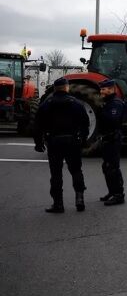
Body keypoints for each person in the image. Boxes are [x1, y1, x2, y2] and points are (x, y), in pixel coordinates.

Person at [33, 77, 90, 213]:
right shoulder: (76, 103)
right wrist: (82, 139)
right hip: (72, 141)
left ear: (54, 89)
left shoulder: (47, 103)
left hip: (54, 142)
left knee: (56, 174)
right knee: (76, 170)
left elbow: (37, 125)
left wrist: (39, 142)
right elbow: (85, 123)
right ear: (66, 87)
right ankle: (79, 199)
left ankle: (58, 204)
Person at [98, 79, 125, 205]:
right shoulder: (108, 102)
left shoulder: (115, 103)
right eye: (101, 89)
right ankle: (112, 191)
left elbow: (112, 120)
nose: (101, 91)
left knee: (113, 168)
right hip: (107, 139)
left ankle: (119, 194)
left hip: (113, 138)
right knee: (107, 167)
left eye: (103, 89)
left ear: (111, 89)